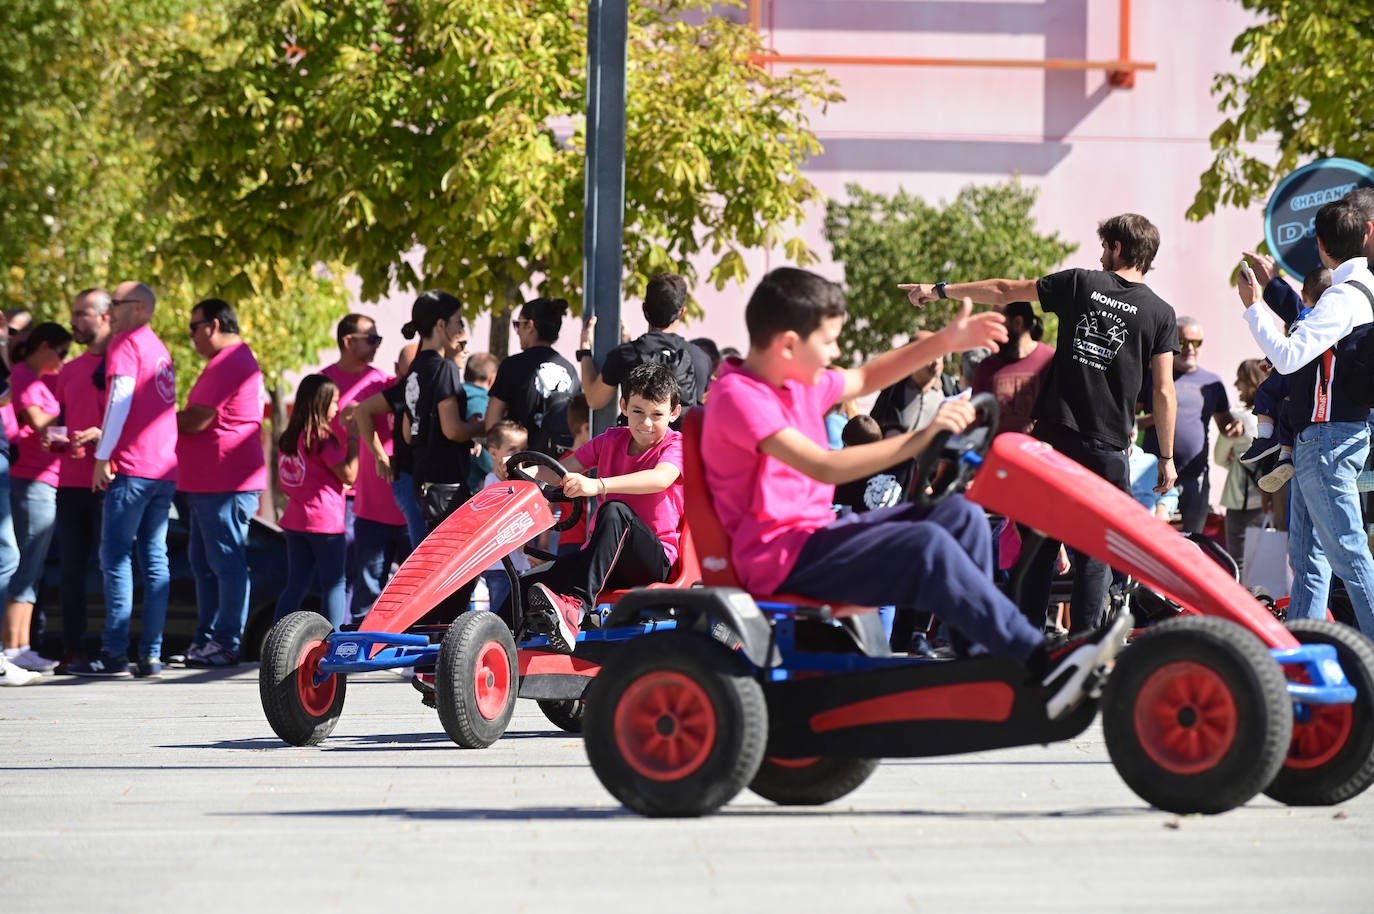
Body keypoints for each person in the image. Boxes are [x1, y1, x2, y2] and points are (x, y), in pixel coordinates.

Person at [704, 267, 1130, 720]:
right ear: (789, 345)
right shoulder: (739, 396)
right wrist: (922, 438)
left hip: (815, 537)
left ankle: (977, 664)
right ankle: (1036, 659)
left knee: (960, 516)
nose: (836, 353)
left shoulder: (794, 381)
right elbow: (822, 464)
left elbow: (867, 376)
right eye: (828, 342)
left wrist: (946, 341)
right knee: (927, 546)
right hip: (780, 560)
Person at [902, 213, 1179, 635]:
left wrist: (938, 291)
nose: (1101, 255)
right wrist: (1166, 457)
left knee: (1038, 544)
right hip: (1107, 449)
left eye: (1105, 247)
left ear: (1118, 247)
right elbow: (1163, 391)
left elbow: (1003, 290)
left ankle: (1025, 643)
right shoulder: (1161, 313)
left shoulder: (1081, 283)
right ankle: (1087, 651)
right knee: (1095, 554)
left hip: (1054, 440)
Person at [1238, 199, 1374, 635]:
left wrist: (1253, 306)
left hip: (1326, 442)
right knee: (1308, 558)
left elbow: (1290, 355)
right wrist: (1275, 286)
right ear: (1367, 234)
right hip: (1334, 439)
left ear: (1320, 246)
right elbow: (1308, 325)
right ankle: (1300, 651)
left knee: (1349, 557)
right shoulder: (1362, 291)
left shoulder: (1341, 297)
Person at [522, 362, 688, 655]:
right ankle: (476, 650)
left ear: (674, 413)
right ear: (623, 406)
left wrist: (599, 485)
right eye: (638, 411)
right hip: (603, 559)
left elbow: (661, 478)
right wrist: (521, 470)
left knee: (615, 511)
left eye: (656, 415)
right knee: (527, 584)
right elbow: (560, 471)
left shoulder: (675, 445)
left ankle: (576, 608)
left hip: (653, 562)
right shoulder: (611, 440)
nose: (646, 424)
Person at [70, 281, 179, 679]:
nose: (110, 311)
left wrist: (103, 456)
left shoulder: (125, 343)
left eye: (115, 304)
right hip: (164, 469)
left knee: (115, 557)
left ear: (138, 308)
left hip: (133, 469)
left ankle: (114, 653)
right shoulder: (159, 348)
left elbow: (120, 398)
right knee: (154, 560)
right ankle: (150, 655)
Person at [175, 299, 267, 668]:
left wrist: (152, 415)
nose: (192, 337)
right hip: (209, 482)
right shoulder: (226, 362)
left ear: (212, 325)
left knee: (225, 563)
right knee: (204, 562)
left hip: (224, 481)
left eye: (193, 328)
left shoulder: (229, 361)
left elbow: (196, 419)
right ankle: (207, 640)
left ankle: (225, 642)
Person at [2, 322, 72, 674]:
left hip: (46, 478)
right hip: (30, 481)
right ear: (44, 345)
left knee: (33, 564)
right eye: (60, 353)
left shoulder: (40, 379)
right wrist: (68, 410)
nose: (62, 361)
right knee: (24, 563)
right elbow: (36, 418)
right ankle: (12, 647)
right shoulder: (22, 374)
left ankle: (21, 644)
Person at [53, 289, 112, 672]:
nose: (73, 320)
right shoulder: (69, 370)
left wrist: (102, 434)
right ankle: (74, 648)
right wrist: (54, 437)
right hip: (70, 483)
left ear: (106, 317)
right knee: (70, 571)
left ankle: (115, 649)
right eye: (73, 313)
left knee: (114, 568)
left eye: (82, 313)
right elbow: (62, 418)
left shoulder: (124, 366)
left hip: (111, 481)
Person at [1138, 316, 1239, 533]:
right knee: (1151, 540)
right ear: (1171, 342)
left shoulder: (1212, 383)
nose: (1190, 349)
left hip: (1195, 479)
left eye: (1197, 342)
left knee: (1191, 543)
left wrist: (1235, 428)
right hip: (1154, 478)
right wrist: (1153, 419)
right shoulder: (1152, 376)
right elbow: (1127, 423)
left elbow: (1225, 425)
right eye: (1183, 342)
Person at [274, 374, 356, 628]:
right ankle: (332, 643)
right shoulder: (321, 438)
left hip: (296, 520)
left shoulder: (291, 437)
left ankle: (277, 638)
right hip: (325, 523)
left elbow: (286, 481)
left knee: (296, 583)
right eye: (333, 402)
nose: (337, 408)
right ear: (319, 404)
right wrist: (354, 439)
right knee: (334, 583)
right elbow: (349, 474)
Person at [1239, 267, 1332, 493]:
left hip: (1293, 373)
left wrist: (1271, 358)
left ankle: (1265, 438)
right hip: (1313, 390)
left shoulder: (1308, 317)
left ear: (1304, 296)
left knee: (1266, 392)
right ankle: (1285, 457)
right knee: (1288, 411)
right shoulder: (1331, 319)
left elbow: (1291, 344)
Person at [577, 272, 712, 424]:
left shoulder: (625, 355)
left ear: (644, 308)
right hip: (680, 447)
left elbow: (595, 400)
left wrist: (585, 351)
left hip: (637, 446)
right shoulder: (701, 358)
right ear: (681, 312)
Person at [322, 313, 388, 612]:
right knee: (338, 574)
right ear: (348, 342)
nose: (377, 344)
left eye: (378, 338)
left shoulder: (383, 381)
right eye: (371, 338)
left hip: (375, 498)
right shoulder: (323, 383)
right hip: (334, 494)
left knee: (367, 576)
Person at [487, 297, 580, 454]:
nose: (517, 332)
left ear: (530, 326)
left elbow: (492, 424)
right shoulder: (570, 369)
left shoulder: (512, 365)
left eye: (518, 325)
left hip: (521, 464)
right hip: (561, 465)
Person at [971, 301, 1054, 435]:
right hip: (996, 454)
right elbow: (976, 421)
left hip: (1040, 454)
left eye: (996, 323)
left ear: (1017, 322)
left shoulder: (1052, 361)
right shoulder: (986, 367)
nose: (991, 331)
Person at [1215, 359, 1266, 574]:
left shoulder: (1239, 420)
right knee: (1262, 561)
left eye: (1241, 380)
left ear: (1251, 382)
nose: (1236, 385)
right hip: (1267, 496)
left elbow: (1219, 457)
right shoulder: (1272, 417)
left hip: (1239, 499)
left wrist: (1235, 461)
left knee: (1236, 561)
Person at [478, 420, 532, 616]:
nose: (519, 455)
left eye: (523, 449)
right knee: (501, 613)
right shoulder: (492, 483)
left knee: (519, 612)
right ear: (493, 453)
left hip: (518, 563)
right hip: (499, 565)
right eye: (512, 449)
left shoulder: (520, 481)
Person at [463, 351, 499, 494]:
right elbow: (486, 456)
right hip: (470, 487)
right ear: (492, 380)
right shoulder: (485, 406)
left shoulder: (452, 396)